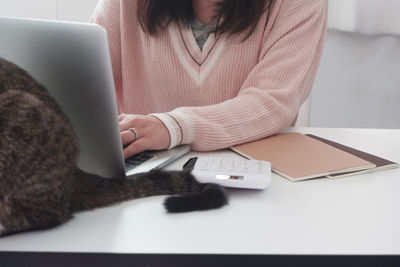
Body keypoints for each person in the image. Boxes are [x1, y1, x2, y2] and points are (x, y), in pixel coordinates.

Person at [90, 0, 328, 159]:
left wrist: (174, 126)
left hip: (249, 178)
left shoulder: (299, 4)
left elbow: (274, 102)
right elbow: (81, 78)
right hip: (145, 171)